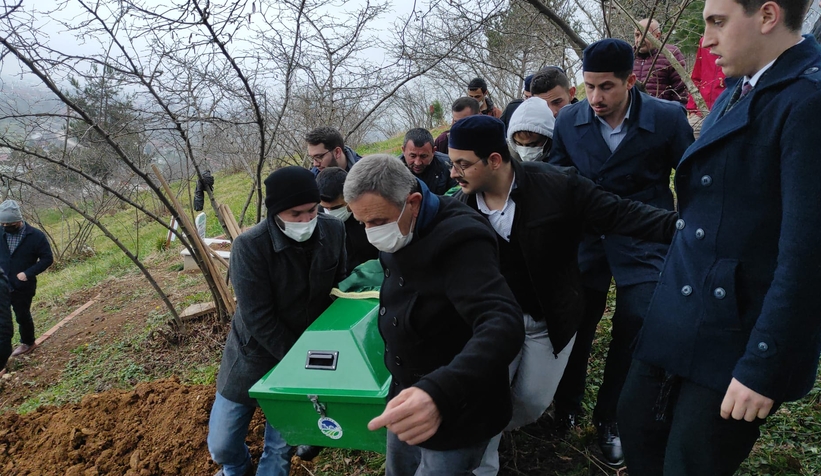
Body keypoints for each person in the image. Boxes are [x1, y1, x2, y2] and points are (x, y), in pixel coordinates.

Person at [618, 0, 821, 473]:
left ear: (768, 16)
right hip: (683, 313)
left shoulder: (807, 102)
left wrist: (763, 365)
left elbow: (807, 253)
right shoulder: (741, 87)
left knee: (692, 462)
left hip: (737, 330)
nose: (705, 40)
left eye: (717, 22)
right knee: (637, 426)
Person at [446, 116, 678, 476]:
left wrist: (679, 227)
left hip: (549, 319)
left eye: (463, 164)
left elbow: (618, 213)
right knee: (484, 400)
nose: (454, 173)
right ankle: (482, 461)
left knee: (530, 403)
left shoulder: (557, 187)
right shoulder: (460, 211)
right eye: (452, 163)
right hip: (494, 324)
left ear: (494, 159)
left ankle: (496, 424)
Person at [549, 38, 694, 467]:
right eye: (589, 86)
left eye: (607, 87)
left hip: (646, 236)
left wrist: (691, 235)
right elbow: (558, 179)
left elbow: (690, 179)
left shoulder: (668, 118)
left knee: (638, 322)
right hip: (588, 238)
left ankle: (611, 417)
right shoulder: (569, 120)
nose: (596, 98)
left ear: (631, 81)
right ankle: (566, 403)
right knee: (577, 321)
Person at [343, 154, 524, 476]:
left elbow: (502, 322)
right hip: (406, 390)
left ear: (412, 202)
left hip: (458, 403)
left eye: (377, 222)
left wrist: (438, 393)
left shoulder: (461, 238)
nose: (371, 233)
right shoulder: (401, 224)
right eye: (362, 223)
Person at [208, 166, 346, 476]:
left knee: (278, 452)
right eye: (296, 214)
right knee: (222, 445)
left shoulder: (333, 232)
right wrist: (297, 359)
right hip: (254, 355)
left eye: (312, 210)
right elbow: (258, 317)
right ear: (275, 213)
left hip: (306, 358)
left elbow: (340, 287)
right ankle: (237, 468)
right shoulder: (250, 247)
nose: (307, 221)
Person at [0, 199, 54, 358]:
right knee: (3, 321)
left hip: (22, 286)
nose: (4, 227)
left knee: (22, 315)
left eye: (8, 225)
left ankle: (28, 343)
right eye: (2, 224)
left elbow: (47, 259)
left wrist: (28, 273)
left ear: (18, 221)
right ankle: (3, 352)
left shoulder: (35, 236)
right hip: (2, 284)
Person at [316, 166, 378, 274]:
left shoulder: (370, 215)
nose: (330, 212)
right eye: (326, 208)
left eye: (336, 208)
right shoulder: (317, 221)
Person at [633, 19, 688, 104]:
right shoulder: (627, 56)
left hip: (661, 113)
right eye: (637, 35)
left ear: (657, 36)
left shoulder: (670, 54)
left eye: (645, 35)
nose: (639, 40)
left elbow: (681, 90)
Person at [686, 37, 727, 137]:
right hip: (700, 111)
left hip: (724, 112)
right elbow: (696, 77)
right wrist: (692, 108)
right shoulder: (705, 41)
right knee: (687, 139)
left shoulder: (735, 41)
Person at [398, 128, 457, 195]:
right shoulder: (393, 170)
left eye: (423, 156)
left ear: (433, 151)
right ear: (403, 150)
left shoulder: (449, 165)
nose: (417, 163)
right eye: (413, 156)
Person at [506, 97, 555, 162]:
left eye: (532, 145)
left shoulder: (562, 159)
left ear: (547, 138)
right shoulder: (508, 161)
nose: (525, 152)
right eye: (519, 144)